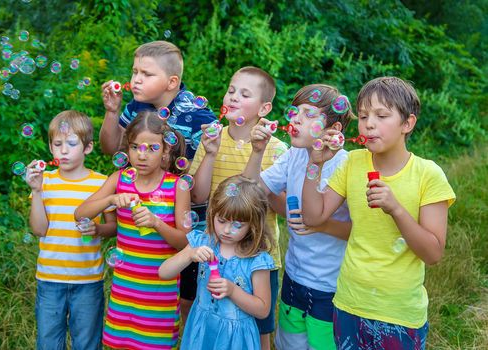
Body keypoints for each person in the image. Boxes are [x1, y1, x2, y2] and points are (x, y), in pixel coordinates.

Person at [300, 77, 456, 349]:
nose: (369, 123)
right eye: (363, 116)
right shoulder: (353, 162)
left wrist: (395, 208)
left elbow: (433, 253)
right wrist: (315, 164)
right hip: (349, 303)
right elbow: (314, 217)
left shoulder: (428, 175)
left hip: (398, 314)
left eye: (381, 115)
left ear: (407, 123)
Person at [99, 40, 216, 323]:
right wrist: (112, 112)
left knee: (186, 300)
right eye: (134, 71)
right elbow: (111, 148)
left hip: (184, 224)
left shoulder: (197, 116)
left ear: (171, 81)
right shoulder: (137, 107)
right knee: (143, 291)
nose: (136, 79)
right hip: (139, 222)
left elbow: (200, 184)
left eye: (146, 74)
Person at [243, 84, 354, 349]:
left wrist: (321, 225)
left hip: (332, 285)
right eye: (295, 112)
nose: (296, 119)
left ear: (333, 130)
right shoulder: (294, 155)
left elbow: (360, 230)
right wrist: (257, 151)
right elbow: (249, 194)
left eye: (308, 114)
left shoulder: (347, 165)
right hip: (294, 277)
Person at [189, 66, 287, 349]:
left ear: (264, 108)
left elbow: (277, 205)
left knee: (260, 331)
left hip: (258, 254)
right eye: (231, 90)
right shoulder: (211, 139)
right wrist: (209, 154)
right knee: (213, 320)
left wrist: (257, 152)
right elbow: (198, 195)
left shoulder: (276, 149)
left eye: (244, 94)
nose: (232, 97)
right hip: (215, 251)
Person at [75, 111, 191, 349]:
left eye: (151, 148)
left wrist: (157, 223)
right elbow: (80, 213)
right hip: (125, 290)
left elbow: (184, 243)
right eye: (135, 147)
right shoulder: (119, 180)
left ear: (165, 150)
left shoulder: (177, 187)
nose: (142, 155)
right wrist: (111, 200)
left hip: (159, 294)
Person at [24, 110, 117, 350]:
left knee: (86, 343)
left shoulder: (101, 183)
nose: (63, 150)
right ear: (51, 146)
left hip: (87, 281)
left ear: (87, 147)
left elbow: (113, 227)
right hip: (49, 279)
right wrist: (35, 191)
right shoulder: (45, 182)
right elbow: (39, 230)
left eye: (72, 143)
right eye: (57, 144)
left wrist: (97, 229)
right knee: (48, 343)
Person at [159, 175, 275, 350]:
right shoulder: (203, 241)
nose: (227, 230)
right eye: (221, 221)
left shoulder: (257, 260)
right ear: (212, 214)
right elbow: (164, 272)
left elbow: (263, 309)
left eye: (237, 225)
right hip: (203, 328)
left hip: (235, 338)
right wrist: (189, 254)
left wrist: (233, 290)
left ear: (253, 225)